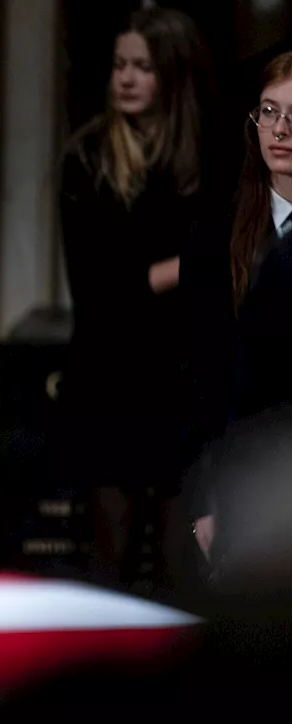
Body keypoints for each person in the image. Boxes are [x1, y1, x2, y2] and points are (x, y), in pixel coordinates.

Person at [57, 8, 212, 597]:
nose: (126, 78)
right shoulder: (88, 158)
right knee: (110, 565)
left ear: (173, 76)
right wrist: (190, 269)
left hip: (185, 379)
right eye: (120, 65)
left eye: (143, 68)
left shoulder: (210, 160)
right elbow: (99, 292)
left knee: (184, 563)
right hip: (109, 377)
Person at [185, 51, 293, 585]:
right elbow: (200, 375)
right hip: (244, 476)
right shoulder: (215, 235)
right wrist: (206, 497)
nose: (281, 130)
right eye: (269, 112)